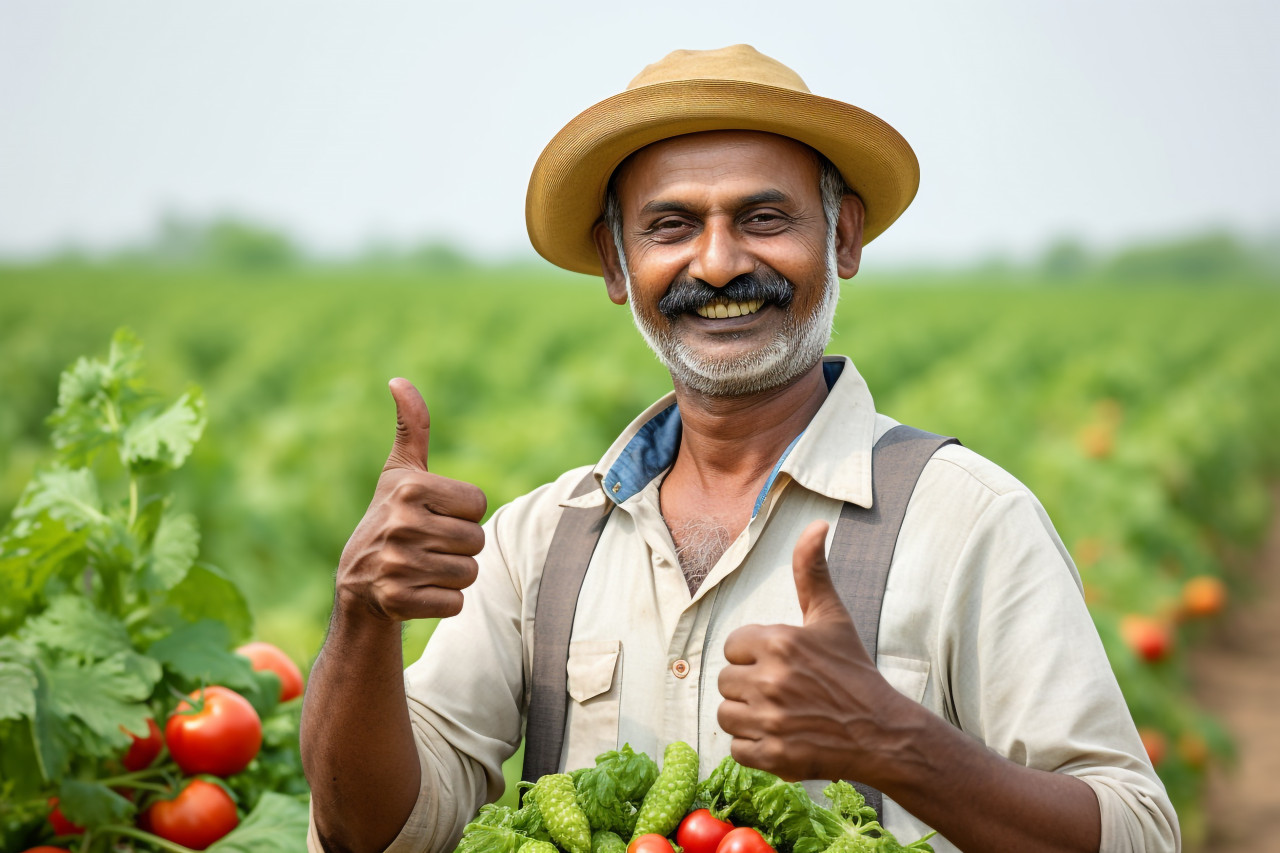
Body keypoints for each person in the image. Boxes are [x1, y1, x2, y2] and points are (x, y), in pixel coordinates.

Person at [300, 45, 1180, 853]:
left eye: (763, 217)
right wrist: (363, 619)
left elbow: (1139, 831)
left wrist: (901, 746)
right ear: (616, 263)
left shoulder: (968, 520)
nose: (718, 263)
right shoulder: (544, 540)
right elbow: (378, 834)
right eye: (670, 226)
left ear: (842, 240)